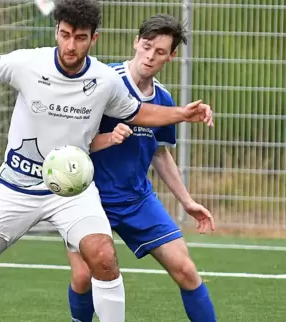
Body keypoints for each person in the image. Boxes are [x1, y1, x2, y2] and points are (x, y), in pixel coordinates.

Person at [0, 0, 213, 320]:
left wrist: (182, 114)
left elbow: (140, 112)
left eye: (80, 37)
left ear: (94, 39)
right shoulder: (29, 63)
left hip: (73, 192)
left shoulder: (104, 80)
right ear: (57, 31)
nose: (71, 45)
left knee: (103, 258)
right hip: (16, 187)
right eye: (65, 35)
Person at [66, 14, 217, 322]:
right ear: (136, 42)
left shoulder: (163, 99)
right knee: (83, 277)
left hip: (136, 199)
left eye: (160, 51)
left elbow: (160, 154)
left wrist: (186, 201)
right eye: (147, 46)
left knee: (186, 269)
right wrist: (109, 138)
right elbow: (71, 141)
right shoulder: (104, 81)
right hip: (88, 197)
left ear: (171, 56)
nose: (150, 56)